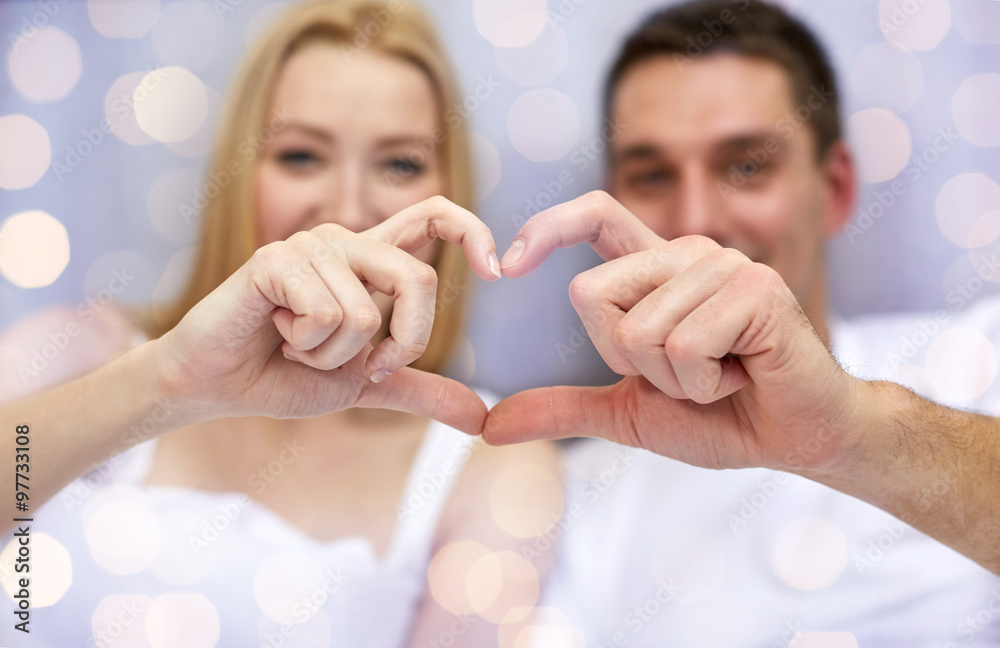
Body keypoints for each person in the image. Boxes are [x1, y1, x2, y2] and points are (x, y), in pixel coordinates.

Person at [0, 1, 559, 645]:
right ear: (240, 176)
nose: (348, 209)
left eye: (400, 163)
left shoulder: (491, 469)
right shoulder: (75, 351)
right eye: (301, 156)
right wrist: (171, 380)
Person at [484, 1, 1000, 644]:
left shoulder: (980, 360)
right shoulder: (573, 500)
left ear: (834, 189)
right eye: (651, 174)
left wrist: (848, 433)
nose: (697, 217)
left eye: (747, 165)